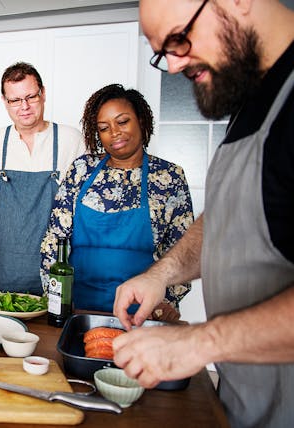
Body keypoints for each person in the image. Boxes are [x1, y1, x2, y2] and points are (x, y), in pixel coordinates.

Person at [112, 1, 294, 427]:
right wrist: (161, 274)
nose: (173, 66)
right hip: (244, 402)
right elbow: (231, 216)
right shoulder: (253, 98)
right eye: (163, 52)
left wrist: (199, 343)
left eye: (178, 39)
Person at [40, 84, 194, 316]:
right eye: (104, 127)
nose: (114, 132)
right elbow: (54, 241)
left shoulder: (169, 177)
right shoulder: (81, 170)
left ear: (141, 120)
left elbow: (182, 250)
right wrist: (57, 300)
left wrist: (167, 302)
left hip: (143, 311)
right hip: (77, 306)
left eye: (122, 122)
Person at [0, 62, 86, 297]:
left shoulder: (71, 140)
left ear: (43, 93)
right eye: (15, 100)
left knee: (50, 330)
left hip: (55, 266)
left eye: (30, 97)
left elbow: (87, 202)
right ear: (5, 101)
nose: (24, 106)